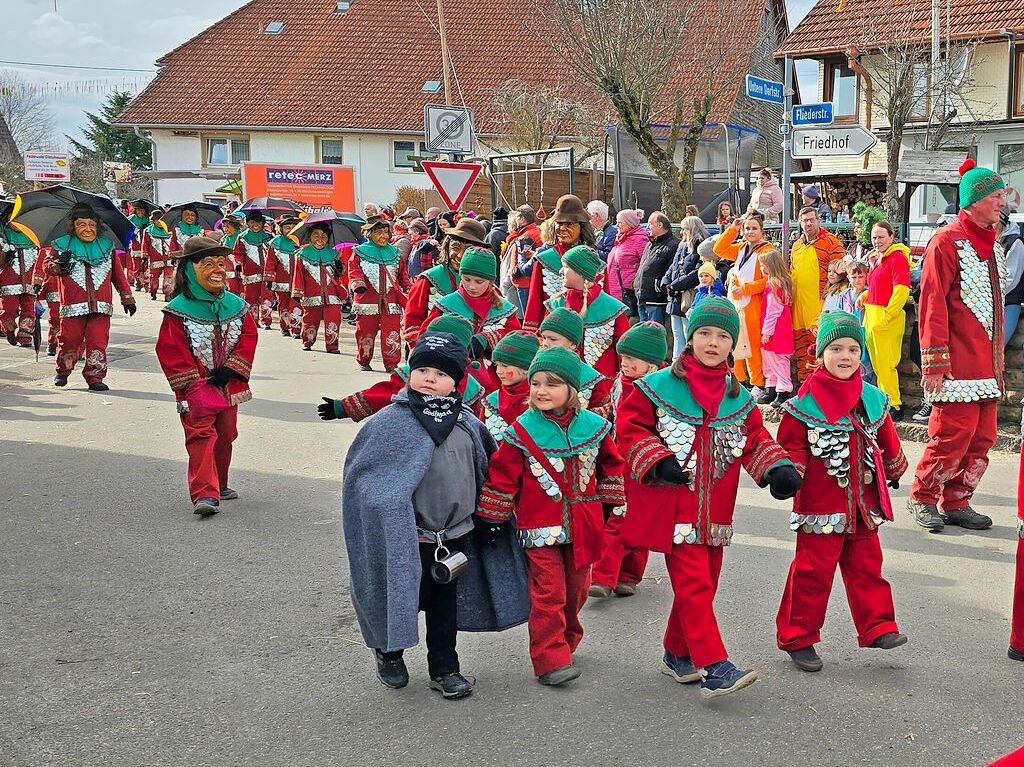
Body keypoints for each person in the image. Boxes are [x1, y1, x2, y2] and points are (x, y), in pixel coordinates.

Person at [616, 298, 800, 698]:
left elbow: (754, 440)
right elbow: (629, 429)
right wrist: (658, 459)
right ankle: (713, 665)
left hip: (716, 511)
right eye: (703, 333)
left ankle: (677, 653)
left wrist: (776, 468)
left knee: (704, 584)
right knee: (694, 584)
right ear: (689, 336)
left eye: (722, 336)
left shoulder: (739, 398)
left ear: (733, 344)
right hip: (674, 507)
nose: (712, 342)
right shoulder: (657, 385)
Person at [340, 331, 530, 699]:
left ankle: (445, 668)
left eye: (441, 374)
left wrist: (492, 517)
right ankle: (389, 652)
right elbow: (364, 480)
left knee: (445, 608)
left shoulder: (468, 425)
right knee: (401, 596)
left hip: (455, 536)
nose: (430, 378)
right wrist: (387, 512)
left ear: (457, 382)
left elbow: (488, 471)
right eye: (423, 369)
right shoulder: (388, 424)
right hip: (407, 538)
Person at [475, 346, 626, 686]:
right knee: (549, 592)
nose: (541, 390)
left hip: (585, 527)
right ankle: (549, 658)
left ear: (571, 390)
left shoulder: (595, 427)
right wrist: (492, 518)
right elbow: (502, 477)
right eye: (536, 383)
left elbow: (612, 467)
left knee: (576, 592)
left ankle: (566, 641)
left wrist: (610, 507)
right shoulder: (521, 431)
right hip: (538, 528)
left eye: (552, 384)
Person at [775, 311, 909, 672]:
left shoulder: (871, 397)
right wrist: (788, 473)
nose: (845, 356)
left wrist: (894, 467)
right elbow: (792, 447)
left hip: (864, 507)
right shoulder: (802, 404)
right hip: (820, 508)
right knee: (811, 573)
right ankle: (798, 637)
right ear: (820, 355)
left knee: (868, 567)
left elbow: (885, 437)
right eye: (836, 348)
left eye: (853, 348)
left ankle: (878, 626)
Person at [908, 159, 1008, 533]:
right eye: (996, 196)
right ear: (976, 199)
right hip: (956, 365)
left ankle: (956, 500)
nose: (1002, 202)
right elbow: (932, 303)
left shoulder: (990, 242)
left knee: (982, 437)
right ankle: (922, 496)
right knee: (951, 434)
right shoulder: (945, 242)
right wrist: (935, 363)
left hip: (986, 364)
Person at [155, 236, 257, 516]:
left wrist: (232, 369)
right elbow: (170, 348)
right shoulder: (177, 310)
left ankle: (220, 483)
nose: (217, 270)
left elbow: (249, 337)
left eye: (221, 264)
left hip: (228, 383)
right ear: (190, 269)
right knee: (201, 435)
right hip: (196, 387)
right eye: (208, 264)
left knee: (226, 434)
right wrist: (193, 382)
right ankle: (205, 493)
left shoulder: (237, 305)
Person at [590, 321, 667, 599]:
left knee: (633, 520)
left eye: (632, 359)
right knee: (618, 515)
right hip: (617, 460)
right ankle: (613, 575)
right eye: (622, 357)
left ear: (651, 363)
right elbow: (612, 411)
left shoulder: (657, 390)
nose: (624, 363)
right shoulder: (618, 384)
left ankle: (618, 575)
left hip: (643, 464)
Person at [320, 315, 487, 422]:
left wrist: (343, 407)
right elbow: (381, 394)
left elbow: (381, 394)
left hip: (438, 443)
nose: (429, 377)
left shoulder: (416, 372)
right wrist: (343, 407)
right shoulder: (415, 371)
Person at [41, 204, 137, 391]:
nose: (87, 229)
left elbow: (118, 276)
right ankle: (63, 370)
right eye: (81, 225)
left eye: (91, 225)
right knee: (68, 340)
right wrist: (59, 264)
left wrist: (128, 298)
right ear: (73, 226)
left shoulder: (106, 247)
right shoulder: (62, 245)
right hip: (72, 306)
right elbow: (47, 267)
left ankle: (95, 378)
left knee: (98, 342)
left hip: (101, 307)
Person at [421, 247, 520, 388]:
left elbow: (516, 337)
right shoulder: (445, 305)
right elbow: (424, 338)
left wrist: (487, 339)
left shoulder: (504, 309)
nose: (471, 286)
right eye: (467, 279)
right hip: (449, 376)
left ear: (491, 282)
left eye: (479, 282)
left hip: (495, 379)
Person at [549, 244, 630, 382]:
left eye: (566, 267)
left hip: (602, 388)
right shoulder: (556, 303)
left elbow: (624, 354)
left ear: (581, 272)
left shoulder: (613, 309)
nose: (561, 271)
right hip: (559, 382)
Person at [403, 217, 487, 348]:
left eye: (468, 250)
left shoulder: (486, 284)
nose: (460, 255)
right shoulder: (428, 280)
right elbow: (412, 321)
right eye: (456, 248)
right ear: (446, 247)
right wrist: (421, 349)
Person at [715, 213, 773, 397]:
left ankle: (759, 382)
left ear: (762, 230)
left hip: (754, 305)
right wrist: (733, 228)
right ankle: (739, 379)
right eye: (747, 228)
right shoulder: (740, 248)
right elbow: (719, 249)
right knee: (737, 343)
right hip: (737, 304)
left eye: (754, 228)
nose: (750, 232)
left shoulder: (767, 250)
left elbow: (769, 280)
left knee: (754, 346)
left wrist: (746, 289)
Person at [522, 195, 595, 332]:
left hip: (588, 332)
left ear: (582, 227)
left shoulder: (594, 261)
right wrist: (530, 335)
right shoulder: (544, 260)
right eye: (559, 223)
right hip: (553, 331)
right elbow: (534, 302)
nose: (562, 229)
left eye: (570, 224)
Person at [790, 206, 846, 382]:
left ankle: (820, 382)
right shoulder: (797, 245)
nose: (808, 224)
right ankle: (803, 382)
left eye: (811, 220)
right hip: (798, 304)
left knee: (819, 343)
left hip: (819, 302)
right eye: (805, 220)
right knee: (800, 345)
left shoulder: (831, 241)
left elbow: (840, 270)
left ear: (818, 221)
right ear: (800, 223)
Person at [349, 216, 412, 372]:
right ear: (369, 233)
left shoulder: (395, 253)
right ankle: (364, 359)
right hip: (366, 301)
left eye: (386, 232)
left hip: (391, 302)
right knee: (365, 332)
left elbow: (402, 275)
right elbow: (354, 271)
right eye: (379, 232)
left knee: (392, 333)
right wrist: (358, 285)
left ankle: (391, 363)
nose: (384, 236)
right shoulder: (359, 252)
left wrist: (409, 289)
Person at [862, 221, 911, 418]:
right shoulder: (876, 259)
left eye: (881, 237)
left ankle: (894, 403)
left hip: (885, 317)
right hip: (873, 315)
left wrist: (888, 315)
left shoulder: (897, 258)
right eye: (874, 237)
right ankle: (884, 400)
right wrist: (864, 297)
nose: (877, 241)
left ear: (892, 236)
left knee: (886, 364)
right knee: (878, 365)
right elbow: (876, 288)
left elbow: (901, 290)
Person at [538, 306, 612, 415]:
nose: (546, 343)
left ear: (572, 344)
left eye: (553, 339)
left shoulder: (592, 378)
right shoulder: (534, 368)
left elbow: (598, 415)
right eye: (544, 337)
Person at [291, 222, 346, 353]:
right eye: (316, 235)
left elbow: (342, 273)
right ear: (310, 237)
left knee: (334, 320)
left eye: (324, 236)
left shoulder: (334, 254)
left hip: (332, 295)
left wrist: (339, 266)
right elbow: (297, 275)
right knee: (310, 320)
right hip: (311, 294)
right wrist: (297, 293)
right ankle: (307, 341)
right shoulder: (301, 254)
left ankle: (332, 346)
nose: (320, 239)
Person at [662, 216, 710, 354]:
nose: (682, 232)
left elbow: (696, 273)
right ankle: (676, 362)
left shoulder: (700, 247)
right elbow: (673, 266)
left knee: (686, 332)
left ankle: (686, 363)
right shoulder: (682, 246)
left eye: (685, 229)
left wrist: (675, 285)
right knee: (677, 333)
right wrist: (666, 282)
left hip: (687, 295)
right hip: (675, 294)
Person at [481, 331, 539, 442]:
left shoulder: (543, 399)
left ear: (526, 368)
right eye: (497, 365)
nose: (498, 371)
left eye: (505, 366)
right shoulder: (493, 401)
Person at [758, 248, 795, 407]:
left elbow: (773, 310)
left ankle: (783, 390)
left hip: (776, 329)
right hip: (778, 327)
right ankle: (772, 387)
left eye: (763, 265)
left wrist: (767, 331)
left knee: (778, 359)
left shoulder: (774, 284)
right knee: (771, 359)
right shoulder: (780, 282)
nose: (761, 268)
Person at [0, 218, 40, 347]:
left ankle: (25, 334)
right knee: (8, 309)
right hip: (8, 281)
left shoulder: (34, 235)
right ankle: (9, 330)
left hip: (30, 280)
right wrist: (4, 255)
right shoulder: (3, 234)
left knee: (29, 308)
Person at [232, 210, 275, 329]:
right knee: (251, 298)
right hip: (250, 274)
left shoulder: (269, 237)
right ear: (248, 223)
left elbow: (273, 254)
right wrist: (238, 264)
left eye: (258, 222)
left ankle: (266, 321)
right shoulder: (242, 238)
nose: (255, 225)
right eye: (252, 222)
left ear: (262, 223)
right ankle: (253, 321)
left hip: (267, 274)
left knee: (267, 297)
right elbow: (237, 253)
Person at [633, 211, 678, 323]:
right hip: (642, 297)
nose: (648, 227)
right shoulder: (650, 244)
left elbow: (671, 271)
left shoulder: (672, 245)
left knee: (655, 334)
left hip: (656, 300)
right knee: (643, 334)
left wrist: (659, 286)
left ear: (660, 225)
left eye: (650, 223)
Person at [605, 208, 647, 314]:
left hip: (627, 291)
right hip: (616, 289)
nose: (617, 225)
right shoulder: (621, 239)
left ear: (629, 223)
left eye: (620, 222)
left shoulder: (640, 239)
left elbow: (645, 264)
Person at [265, 216, 301, 338]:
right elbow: (270, 262)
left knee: (297, 305)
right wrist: (269, 279)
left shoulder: (302, 243)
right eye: (287, 227)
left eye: (293, 227)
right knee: (283, 305)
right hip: (281, 281)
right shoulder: (275, 243)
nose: (290, 230)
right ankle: (284, 326)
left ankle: (296, 329)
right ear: (281, 229)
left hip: (299, 283)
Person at [505, 205, 544, 313]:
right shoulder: (537, 231)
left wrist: (515, 272)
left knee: (529, 315)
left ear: (522, 219)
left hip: (525, 282)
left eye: (517, 217)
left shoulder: (525, 237)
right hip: (534, 280)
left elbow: (525, 264)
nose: (515, 220)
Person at [1001, 209, 1024, 349]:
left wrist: (986, 296)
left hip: (1008, 303)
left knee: (995, 348)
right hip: (988, 304)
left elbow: (1011, 279)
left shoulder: (1015, 244)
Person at [143, 213, 174, 301]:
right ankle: (153, 291)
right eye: (157, 220)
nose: (160, 222)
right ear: (153, 221)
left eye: (161, 220)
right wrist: (144, 255)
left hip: (169, 258)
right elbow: (145, 244)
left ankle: (168, 294)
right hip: (155, 258)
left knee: (169, 277)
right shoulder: (148, 231)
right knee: (154, 276)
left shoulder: (170, 230)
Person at [126, 199, 153, 291]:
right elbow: (126, 231)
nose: (141, 212)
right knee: (137, 266)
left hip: (147, 245)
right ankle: (138, 283)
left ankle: (146, 284)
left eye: (142, 210)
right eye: (138, 210)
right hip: (136, 245)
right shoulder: (130, 219)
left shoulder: (149, 220)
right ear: (135, 211)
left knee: (146, 266)